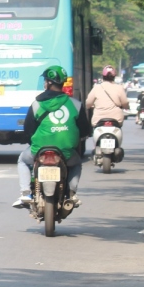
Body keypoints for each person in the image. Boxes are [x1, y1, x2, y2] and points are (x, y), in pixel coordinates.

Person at [14, 65, 91, 208]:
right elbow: (85, 130)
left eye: (45, 80)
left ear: (49, 83)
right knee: (77, 163)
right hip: (65, 152)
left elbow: (28, 129)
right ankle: (72, 194)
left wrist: (31, 139)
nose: (44, 83)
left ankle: (25, 193)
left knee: (23, 161)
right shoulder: (75, 104)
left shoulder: (37, 105)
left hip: (39, 150)